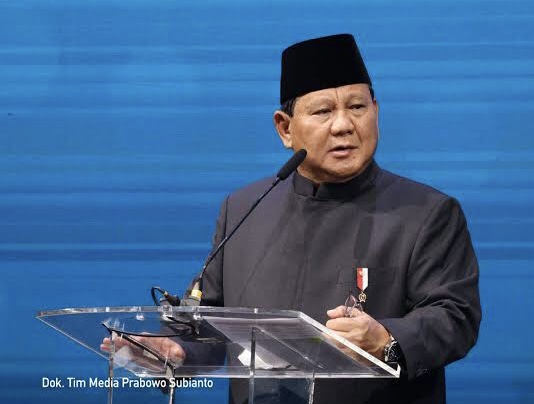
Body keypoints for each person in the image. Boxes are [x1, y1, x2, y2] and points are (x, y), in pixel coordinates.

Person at [104, 33, 481, 404]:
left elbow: (455, 317)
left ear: (376, 112)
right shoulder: (244, 208)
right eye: (323, 112)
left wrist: (386, 339)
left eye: (357, 107)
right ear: (285, 128)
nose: (343, 125)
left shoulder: (426, 211)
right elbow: (210, 325)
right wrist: (177, 351)